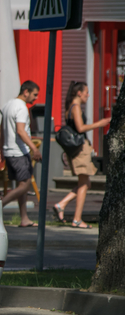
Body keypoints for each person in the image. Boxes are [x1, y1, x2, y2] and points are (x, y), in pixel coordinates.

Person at [52, 81, 111, 229]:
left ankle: (62, 204)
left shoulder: (69, 106)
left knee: (85, 183)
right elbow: (80, 127)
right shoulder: (76, 107)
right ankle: (77, 219)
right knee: (84, 183)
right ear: (79, 93)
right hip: (80, 149)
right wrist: (101, 123)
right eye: (86, 92)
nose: (88, 95)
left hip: (76, 149)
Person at [0, 81, 43, 227]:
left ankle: (24, 218)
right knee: (25, 185)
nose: (35, 98)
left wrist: (2, 149)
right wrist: (34, 149)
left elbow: (2, 129)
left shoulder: (8, 105)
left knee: (21, 185)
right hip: (19, 152)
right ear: (26, 92)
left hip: (9, 151)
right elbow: (21, 131)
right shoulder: (21, 108)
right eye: (34, 94)